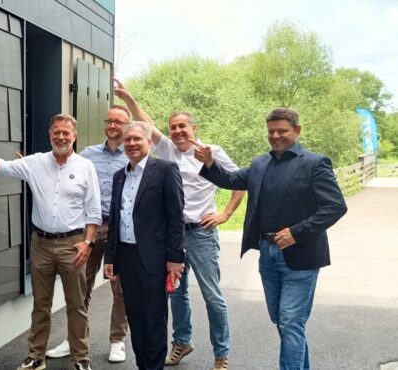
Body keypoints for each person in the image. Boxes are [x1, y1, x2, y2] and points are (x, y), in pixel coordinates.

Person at [192, 108, 347, 370]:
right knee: (283, 320)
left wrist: (296, 232)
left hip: (302, 256)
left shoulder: (315, 163)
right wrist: (209, 163)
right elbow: (230, 179)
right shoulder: (260, 163)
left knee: (290, 321)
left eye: (282, 131)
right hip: (268, 254)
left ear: (297, 131)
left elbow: (335, 206)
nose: (275, 136)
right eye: (271, 131)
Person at [114, 79, 244, 370]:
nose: (177, 131)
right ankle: (182, 342)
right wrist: (129, 98)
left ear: (194, 128)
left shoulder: (211, 151)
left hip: (201, 234)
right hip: (172, 237)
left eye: (182, 126)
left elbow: (240, 182)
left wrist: (225, 214)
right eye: (173, 127)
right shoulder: (170, 150)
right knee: (177, 294)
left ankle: (221, 354)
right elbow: (145, 125)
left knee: (212, 296)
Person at [0, 113, 101, 370]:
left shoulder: (85, 166)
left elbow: (93, 210)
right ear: (50, 134)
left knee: (77, 304)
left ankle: (81, 358)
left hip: (74, 244)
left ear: (74, 136)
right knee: (41, 304)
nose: (61, 137)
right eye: (56, 132)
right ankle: (36, 357)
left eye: (66, 133)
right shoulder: (35, 162)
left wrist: (88, 243)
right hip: (42, 245)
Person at [45, 104, 131, 363]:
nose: (113, 125)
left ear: (127, 126)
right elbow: (61, 169)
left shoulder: (135, 153)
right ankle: (74, 340)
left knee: (120, 288)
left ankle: (117, 340)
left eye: (118, 121)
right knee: (80, 287)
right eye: (109, 121)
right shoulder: (88, 154)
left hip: (121, 229)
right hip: (89, 228)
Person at [104, 122, 186, 370]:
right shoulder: (120, 176)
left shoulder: (165, 169)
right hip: (127, 257)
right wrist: (110, 258)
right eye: (127, 140)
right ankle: (144, 366)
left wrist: (175, 258)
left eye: (137, 139)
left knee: (154, 318)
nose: (131, 144)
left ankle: (154, 367)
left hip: (155, 258)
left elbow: (176, 216)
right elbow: (115, 219)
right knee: (136, 317)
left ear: (149, 143)